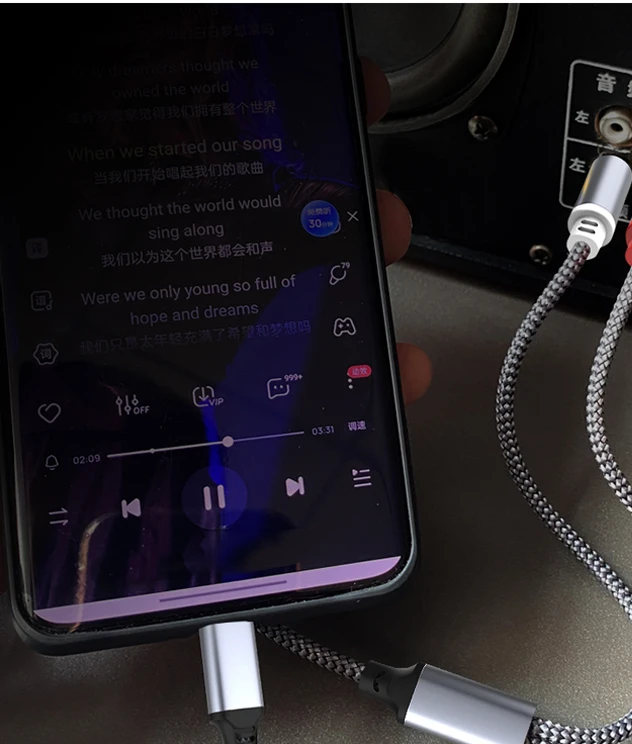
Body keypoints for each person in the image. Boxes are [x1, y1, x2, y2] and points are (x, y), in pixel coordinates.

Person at [0, 59, 431, 597]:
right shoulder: (80, 219)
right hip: (104, 429)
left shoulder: (274, 201)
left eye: (191, 104)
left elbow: (327, 210)